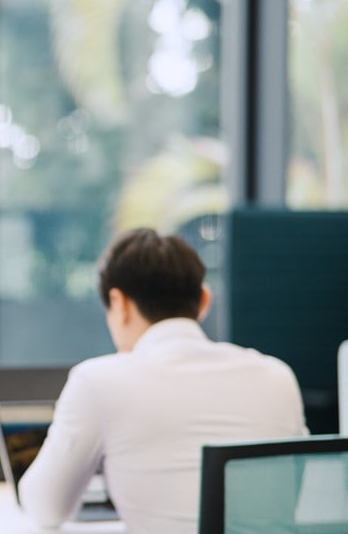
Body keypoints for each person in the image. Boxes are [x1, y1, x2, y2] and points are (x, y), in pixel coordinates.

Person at [18, 228, 308, 534]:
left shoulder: (98, 381)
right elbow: (290, 498)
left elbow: (45, 508)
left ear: (119, 303)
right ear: (203, 300)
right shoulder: (277, 376)